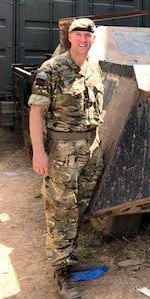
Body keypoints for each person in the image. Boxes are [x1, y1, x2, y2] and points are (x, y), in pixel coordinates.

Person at [29, 18, 104, 298]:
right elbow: (36, 112)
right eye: (78, 34)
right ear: (69, 37)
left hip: (91, 148)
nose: (83, 39)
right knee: (60, 209)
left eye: (88, 35)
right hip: (63, 152)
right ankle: (61, 271)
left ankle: (69, 257)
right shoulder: (52, 69)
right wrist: (39, 152)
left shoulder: (95, 68)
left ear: (93, 39)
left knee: (79, 206)